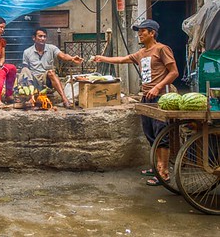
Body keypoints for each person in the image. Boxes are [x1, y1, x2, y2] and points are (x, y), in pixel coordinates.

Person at [94, 19, 178, 186]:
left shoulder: (162, 49)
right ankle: (156, 166)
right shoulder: (141, 53)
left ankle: (164, 172)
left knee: (161, 135)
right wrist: (102, 58)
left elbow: (174, 72)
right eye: (138, 31)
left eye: (143, 31)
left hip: (161, 97)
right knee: (150, 134)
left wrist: (159, 86)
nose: (139, 34)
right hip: (146, 97)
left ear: (152, 33)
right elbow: (122, 59)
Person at [19, 28, 83, 108]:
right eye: (40, 36)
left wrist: (72, 58)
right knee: (24, 70)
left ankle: (65, 99)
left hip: (46, 79)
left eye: (44, 36)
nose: (43, 38)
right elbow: (25, 67)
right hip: (33, 79)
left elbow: (62, 55)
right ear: (34, 38)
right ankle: (30, 98)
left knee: (51, 72)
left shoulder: (51, 48)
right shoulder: (27, 52)